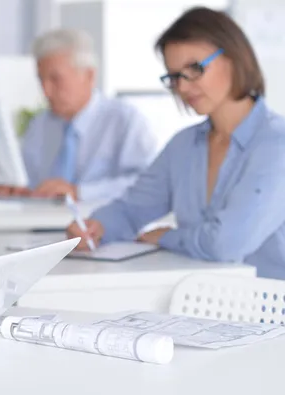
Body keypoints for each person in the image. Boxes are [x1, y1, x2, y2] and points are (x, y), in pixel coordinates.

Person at [67, 7, 285, 279]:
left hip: (269, 313)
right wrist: (96, 226)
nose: (182, 87)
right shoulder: (183, 146)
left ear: (234, 58)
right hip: (200, 304)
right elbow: (132, 208)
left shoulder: (277, 144)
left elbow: (227, 244)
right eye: (174, 76)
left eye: (194, 69)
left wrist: (167, 237)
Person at [0, 29, 158, 202]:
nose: (46, 90)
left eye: (55, 79)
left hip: (102, 225)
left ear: (89, 76)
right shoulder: (40, 124)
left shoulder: (125, 121)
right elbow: (29, 181)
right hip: (41, 224)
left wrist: (79, 192)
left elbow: (149, 184)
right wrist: (18, 191)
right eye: (41, 80)